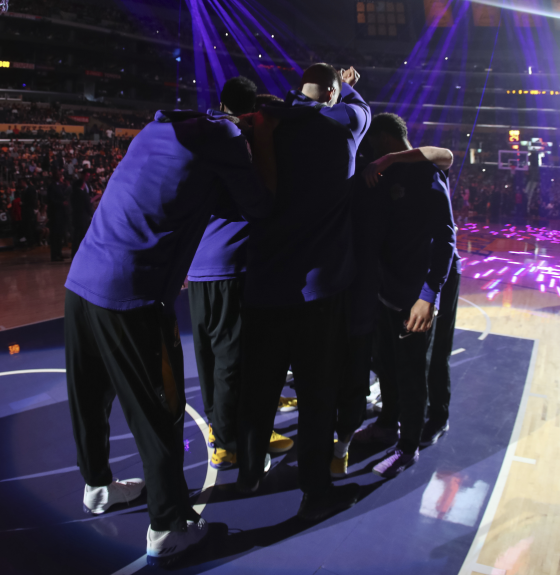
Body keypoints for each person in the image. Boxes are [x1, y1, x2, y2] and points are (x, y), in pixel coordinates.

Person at [63, 90, 272, 566]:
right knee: (160, 410)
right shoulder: (224, 136)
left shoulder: (156, 128)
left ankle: (97, 486)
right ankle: (168, 525)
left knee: (90, 396)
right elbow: (258, 205)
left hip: (80, 281)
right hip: (131, 292)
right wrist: (262, 140)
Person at [237, 63, 369, 522]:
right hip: (320, 291)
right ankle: (315, 489)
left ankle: (250, 470)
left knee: (259, 388)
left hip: (265, 284)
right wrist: (345, 87)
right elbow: (359, 107)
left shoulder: (266, 124)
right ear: (332, 92)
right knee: (317, 396)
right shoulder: (346, 126)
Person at [332, 114, 453, 477]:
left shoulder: (427, 174)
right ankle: (388, 425)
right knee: (387, 364)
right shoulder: (377, 174)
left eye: (373, 142)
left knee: (412, 371)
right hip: (385, 291)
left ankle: (408, 447)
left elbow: (446, 240)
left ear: (385, 140)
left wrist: (427, 296)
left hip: (413, 294)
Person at [187, 78, 293, 471]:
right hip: (231, 266)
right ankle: (231, 445)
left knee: (210, 358)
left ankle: (223, 431)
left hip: (199, 267)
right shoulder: (243, 144)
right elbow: (263, 203)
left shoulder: (203, 133)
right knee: (233, 360)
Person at [47, 171, 69, 262]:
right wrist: (61, 203)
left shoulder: (60, 186)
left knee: (60, 235)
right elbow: (51, 200)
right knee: (55, 235)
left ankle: (59, 253)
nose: (62, 177)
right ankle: (54, 255)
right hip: (55, 214)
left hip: (61, 213)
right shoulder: (52, 186)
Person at [70, 174, 92, 257]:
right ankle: (83, 254)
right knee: (83, 236)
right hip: (83, 218)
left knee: (76, 236)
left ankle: (74, 253)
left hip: (75, 216)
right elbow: (87, 206)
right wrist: (91, 214)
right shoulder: (83, 194)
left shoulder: (73, 194)